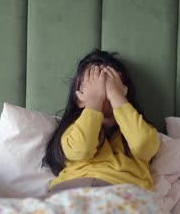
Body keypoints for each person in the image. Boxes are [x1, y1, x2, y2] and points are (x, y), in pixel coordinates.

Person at [42, 49, 160, 194]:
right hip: (72, 191)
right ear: (79, 98)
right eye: (93, 86)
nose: (102, 93)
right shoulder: (71, 130)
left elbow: (144, 144)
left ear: (124, 92)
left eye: (108, 85)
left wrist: (115, 96)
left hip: (122, 194)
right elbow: (82, 149)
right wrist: (94, 100)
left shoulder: (140, 128)